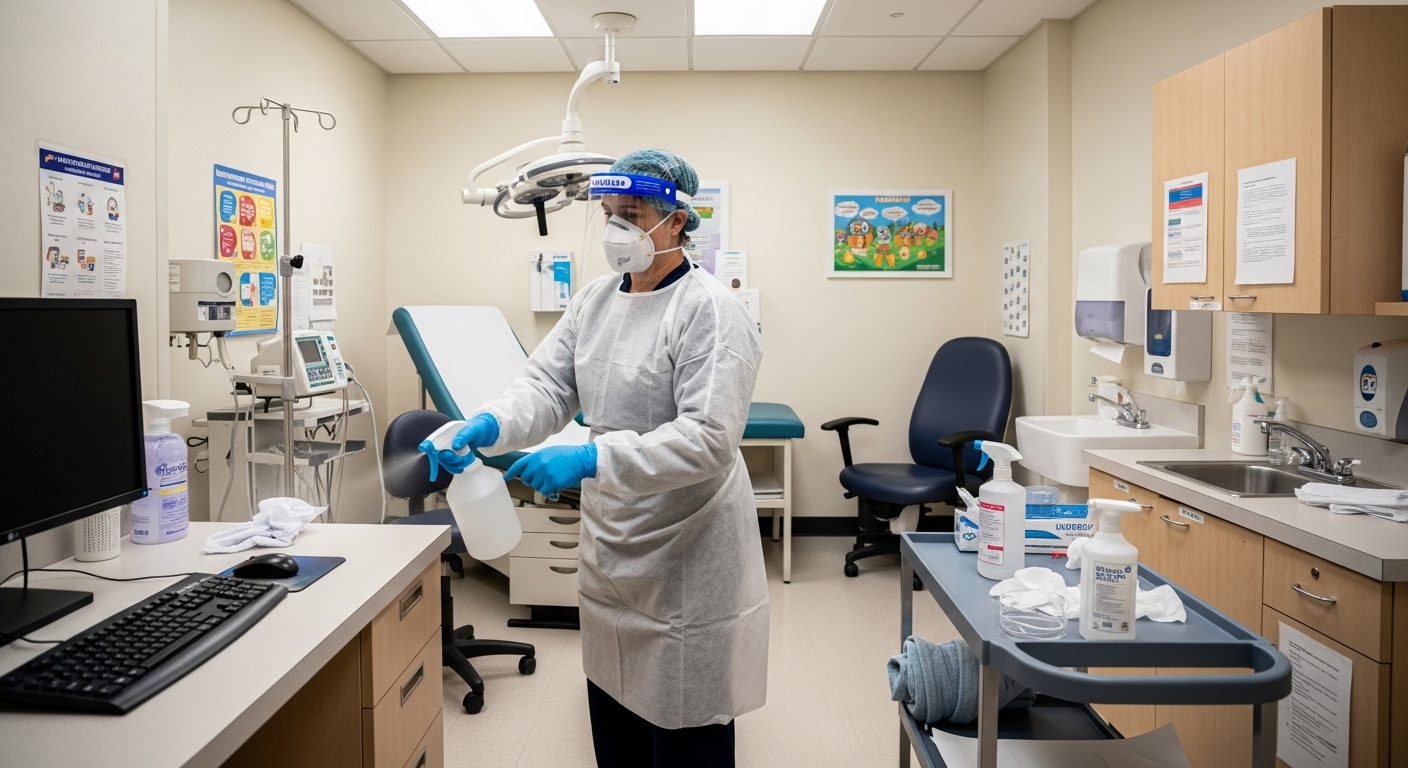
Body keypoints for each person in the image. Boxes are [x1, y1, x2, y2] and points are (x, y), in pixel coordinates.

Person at [423, 149, 767, 768]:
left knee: (686, 720)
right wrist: (490, 424)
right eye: (609, 214)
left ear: (677, 221)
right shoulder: (594, 301)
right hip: (613, 536)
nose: (616, 230)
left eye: (632, 216)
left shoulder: (711, 311)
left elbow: (708, 438)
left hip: (688, 540)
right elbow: (548, 388)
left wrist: (590, 459)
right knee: (615, 706)